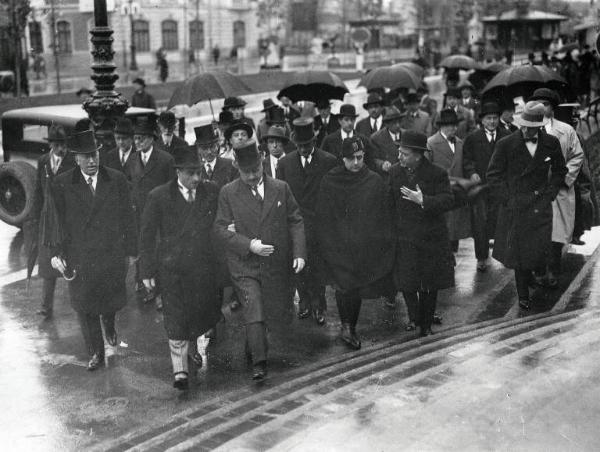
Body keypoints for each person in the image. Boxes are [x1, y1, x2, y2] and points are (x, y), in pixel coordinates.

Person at [214, 140, 306, 380]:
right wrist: (248, 245)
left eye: (256, 171)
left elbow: (295, 220)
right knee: (253, 305)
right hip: (244, 265)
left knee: (274, 309)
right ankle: (259, 362)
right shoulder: (228, 192)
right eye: (247, 173)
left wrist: (299, 253)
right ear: (238, 170)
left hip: (275, 262)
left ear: (262, 163)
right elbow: (220, 230)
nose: (253, 177)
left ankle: (254, 344)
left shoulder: (280, 188)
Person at [52, 130, 137, 371]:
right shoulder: (63, 183)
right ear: (76, 158)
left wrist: (131, 252)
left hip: (110, 254)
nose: (92, 161)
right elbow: (58, 223)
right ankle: (96, 352)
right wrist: (58, 253)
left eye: (95, 155)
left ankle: (109, 324)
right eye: (86, 157)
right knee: (85, 306)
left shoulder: (116, 179)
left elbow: (128, 218)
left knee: (108, 302)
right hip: (80, 255)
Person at [140, 145, 220, 390]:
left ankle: (194, 348)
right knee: (175, 318)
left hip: (202, 267)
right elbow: (147, 235)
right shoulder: (159, 196)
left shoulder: (211, 191)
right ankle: (180, 370)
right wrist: (146, 272)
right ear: (178, 172)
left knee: (198, 315)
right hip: (172, 269)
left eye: (198, 172)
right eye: (190, 173)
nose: (196, 178)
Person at [316, 136, 395, 349]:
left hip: (363, 247)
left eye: (360, 157)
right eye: (351, 158)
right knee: (343, 287)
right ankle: (347, 327)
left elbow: (382, 215)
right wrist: (328, 244)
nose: (357, 163)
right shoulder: (330, 181)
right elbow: (323, 216)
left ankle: (350, 326)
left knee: (356, 287)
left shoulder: (373, 181)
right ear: (342, 158)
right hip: (338, 246)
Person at [487, 101, 567, 310]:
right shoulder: (506, 144)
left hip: (540, 204)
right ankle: (523, 295)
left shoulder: (551, 143)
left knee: (540, 249)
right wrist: (507, 199)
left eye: (529, 127)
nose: (524, 130)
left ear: (539, 126)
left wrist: (550, 194)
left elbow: (560, 171)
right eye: (522, 125)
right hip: (517, 206)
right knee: (520, 254)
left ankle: (533, 276)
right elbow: (493, 175)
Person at [390, 131, 455, 335]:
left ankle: (425, 324)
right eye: (399, 152)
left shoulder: (437, 173)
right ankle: (414, 317)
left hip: (430, 238)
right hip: (404, 237)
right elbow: (388, 203)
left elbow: (448, 200)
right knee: (407, 283)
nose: (399, 157)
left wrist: (424, 200)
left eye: (405, 154)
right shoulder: (394, 172)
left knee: (428, 284)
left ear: (418, 155)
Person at [277, 118, 338, 324]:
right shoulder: (285, 164)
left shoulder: (328, 160)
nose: (303, 149)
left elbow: (333, 195)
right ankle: (304, 301)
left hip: (320, 225)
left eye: (307, 145)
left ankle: (319, 304)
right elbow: (281, 197)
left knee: (318, 268)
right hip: (296, 226)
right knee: (299, 265)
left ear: (314, 142)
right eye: (300, 145)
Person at [529, 88, 584, 287]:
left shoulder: (566, 130)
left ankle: (553, 270)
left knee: (557, 232)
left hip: (559, 189)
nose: (542, 108)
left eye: (546, 104)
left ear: (553, 108)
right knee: (537, 230)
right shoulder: (528, 128)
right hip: (536, 190)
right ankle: (538, 270)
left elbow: (577, 155)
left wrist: (564, 177)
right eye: (538, 104)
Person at [130, 116, 176, 302]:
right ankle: (147, 286)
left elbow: (172, 188)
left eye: (142, 138)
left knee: (160, 251)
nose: (138, 142)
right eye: (136, 138)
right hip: (139, 214)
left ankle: (161, 294)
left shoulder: (165, 159)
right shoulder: (133, 159)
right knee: (144, 248)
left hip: (160, 214)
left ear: (151, 138)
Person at [32, 125, 76, 319]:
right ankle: (45, 306)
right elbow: (37, 192)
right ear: (51, 145)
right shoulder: (42, 162)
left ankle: (80, 303)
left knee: (70, 264)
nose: (62, 149)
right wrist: (34, 220)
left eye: (64, 144)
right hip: (48, 222)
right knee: (48, 266)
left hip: (67, 221)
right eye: (58, 145)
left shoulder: (73, 162)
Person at [462, 102, 511, 272]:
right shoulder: (473, 138)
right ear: (482, 120)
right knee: (480, 223)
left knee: (501, 221)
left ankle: (504, 255)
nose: (492, 121)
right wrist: (471, 172)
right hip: (481, 188)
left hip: (499, 186)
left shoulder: (507, 136)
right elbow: (467, 160)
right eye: (488, 118)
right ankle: (482, 257)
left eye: (495, 118)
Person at [427, 109, 472, 252]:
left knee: (454, 235)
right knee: (442, 235)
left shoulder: (460, 143)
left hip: (457, 195)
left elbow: (465, 165)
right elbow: (426, 169)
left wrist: (471, 175)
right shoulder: (430, 143)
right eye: (450, 125)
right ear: (442, 126)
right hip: (441, 194)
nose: (454, 128)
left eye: (455, 125)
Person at [321, 104, 377, 170]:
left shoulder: (363, 140)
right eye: (346, 120)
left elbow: (370, 163)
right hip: (336, 178)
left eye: (352, 120)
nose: (350, 123)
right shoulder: (329, 140)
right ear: (340, 121)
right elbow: (323, 163)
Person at [195, 124, 236, 188]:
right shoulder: (195, 170)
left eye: (212, 147)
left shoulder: (230, 164)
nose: (209, 152)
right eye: (204, 148)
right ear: (198, 149)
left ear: (217, 146)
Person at [370, 106, 405, 180]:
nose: (398, 125)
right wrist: (382, 164)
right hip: (387, 178)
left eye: (399, 122)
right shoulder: (376, 138)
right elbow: (373, 158)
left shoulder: (407, 135)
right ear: (387, 124)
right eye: (394, 123)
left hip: (406, 178)